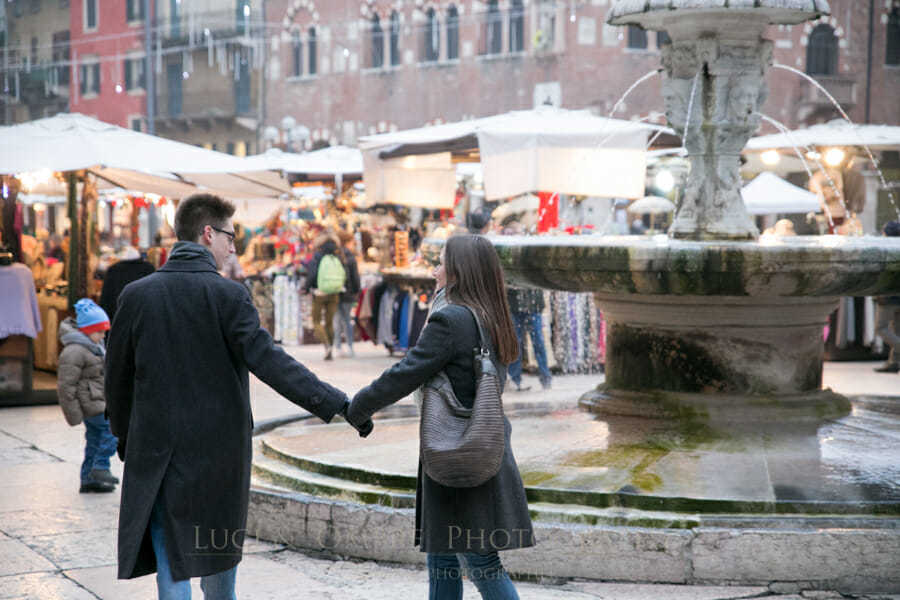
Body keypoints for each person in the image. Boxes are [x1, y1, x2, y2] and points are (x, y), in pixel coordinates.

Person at [105, 194, 367, 598]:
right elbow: (273, 363)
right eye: (231, 236)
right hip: (219, 452)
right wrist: (338, 404)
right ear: (207, 233)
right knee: (218, 556)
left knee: (171, 562)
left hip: (156, 449)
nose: (234, 247)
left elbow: (116, 378)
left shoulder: (137, 295)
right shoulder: (228, 297)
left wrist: (125, 437)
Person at [346, 235, 534, 600]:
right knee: (443, 556)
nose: (434, 270)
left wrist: (357, 408)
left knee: (480, 562)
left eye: (441, 262)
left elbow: (406, 372)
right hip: (478, 444)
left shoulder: (451, 319)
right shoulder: (490, 314)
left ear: (459, 270)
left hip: (455, 449)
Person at [57, 299, 119, 493]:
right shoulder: (74, 351)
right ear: (86, 330)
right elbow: (66, 386)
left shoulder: (94, 346)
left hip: (97, 401)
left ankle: (88, 479)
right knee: (112, 432)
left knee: (94, 440)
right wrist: (74, 413)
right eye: (99, 331)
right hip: (91, 404)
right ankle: (100, 467)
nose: (102, 335)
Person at [304, 234, 345, 360]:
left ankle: (326, 345)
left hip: (319, 293)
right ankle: (331, 347)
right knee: (329, 322)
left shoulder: (318, 256)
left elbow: (312, 274)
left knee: (316, 320)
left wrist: (306, 288)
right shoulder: (337, 255)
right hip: (335, 292)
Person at [507, 285, 552, 391]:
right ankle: (515, 379)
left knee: (538, 342)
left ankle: (545, 378)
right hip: (515, 304)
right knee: (516, 343)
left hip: (533, 304)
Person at [98, 246, 155, 324]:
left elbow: (105, 297)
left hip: (118, 315)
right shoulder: (148, 268)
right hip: (142, 316)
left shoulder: (113, 270)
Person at [874, 220, 900, 373]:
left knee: (881, 328)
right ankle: (894, 362)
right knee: (897, 330)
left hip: (889, 296)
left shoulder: (886, 250)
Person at [332, 230, 361, 357]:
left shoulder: (334, 254)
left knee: (337, 320)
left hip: (335, 291)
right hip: (348, 293)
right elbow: (355, 277)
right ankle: (350, 347)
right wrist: (356, 291)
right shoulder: (350, 256)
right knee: (347, 320)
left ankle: (337, 347)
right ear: (347, 242)